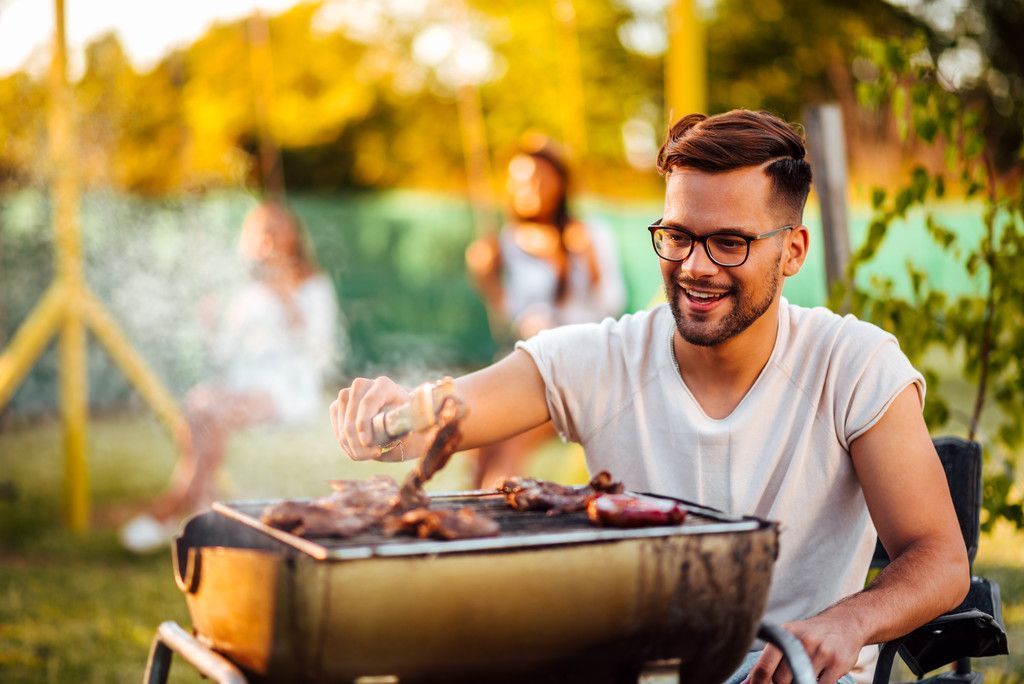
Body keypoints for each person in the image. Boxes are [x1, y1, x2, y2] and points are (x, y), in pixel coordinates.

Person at [329, 110, 968, 683]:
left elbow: (940, 559)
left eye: (730, 242)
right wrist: (387, 418)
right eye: (679, 235)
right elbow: (441, 415)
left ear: (792, 250)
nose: (695, 266)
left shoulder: (853, 364)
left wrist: (846, 623)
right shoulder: (601, 358)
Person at [120, 200, 339, 553]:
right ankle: (201, 509)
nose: (268, 242)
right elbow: (226, 354)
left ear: (292, 238)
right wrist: (209, 327)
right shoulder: (246, 291)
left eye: (276, 232)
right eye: (261, 233)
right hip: (244, 385)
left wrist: (286, 298)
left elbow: (321, 352)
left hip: (287, 388)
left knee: (212, 412)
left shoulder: (312, 285)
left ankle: (180, 506)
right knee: (198, 402)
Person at [464, 135, 625, 487]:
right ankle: (473, 513)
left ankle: (498, 512)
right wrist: (487, 280)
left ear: (560, 182)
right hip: (531, 364)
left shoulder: (589, 233)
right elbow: (512, 317)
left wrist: (591, 263)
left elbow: (612, 303)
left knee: (510, 442)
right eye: (519, 180)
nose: (528, 187)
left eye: (538, 178)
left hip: (580, 369)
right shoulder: (508, 241)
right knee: (476, 444)